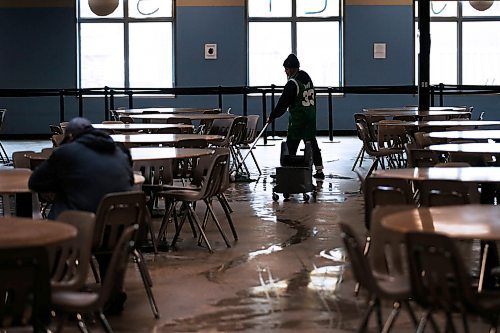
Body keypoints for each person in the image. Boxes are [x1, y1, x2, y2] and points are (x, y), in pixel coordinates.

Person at [28, 116, 134, 314]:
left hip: (79, 234)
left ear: (69, 138)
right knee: (104, 221)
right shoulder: (120, 151)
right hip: (119, 233)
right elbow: (129, 179)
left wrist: (64, 183)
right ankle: (112, 291)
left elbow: (35, 183)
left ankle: (63, 287)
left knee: (50, 232)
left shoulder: (67, 152)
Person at [267, 54, 325, 179]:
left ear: (292, 69)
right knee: (311, 142)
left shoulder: (292, 84)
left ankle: (287, 171)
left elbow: (283, 103)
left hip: (299, 118)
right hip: (310, 116)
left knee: (291, 143)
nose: (285, 72)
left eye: (286, 69)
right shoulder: (306, 77)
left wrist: (272, 116)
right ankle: (319, 170)